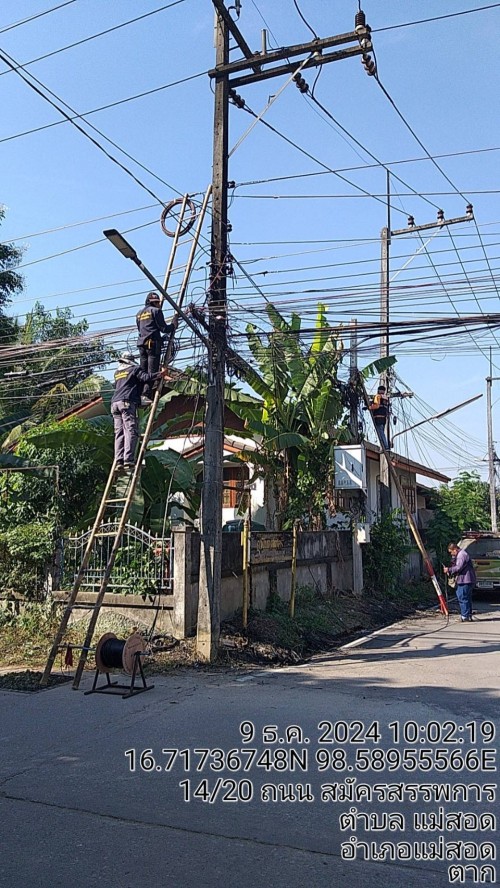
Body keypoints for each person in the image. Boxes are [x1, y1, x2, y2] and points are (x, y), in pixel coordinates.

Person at [111, 352, 168, 471]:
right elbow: (146, 377)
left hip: (114, 404)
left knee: (119, 433)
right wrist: (160, 374)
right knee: (130, 431)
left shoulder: (117, 373)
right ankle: (128, 460)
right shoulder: (134, 369)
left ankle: (119, 460)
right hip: (126, 402)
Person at [136, 292, 178, 404]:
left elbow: (142, 330)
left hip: (141, 344)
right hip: (152, 345)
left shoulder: (139, 314)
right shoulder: (156, 311)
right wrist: (173, 325)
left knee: (143, 372)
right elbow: (163, 328)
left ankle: (139, 394)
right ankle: (145, 395)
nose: (159, 304)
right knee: (152, 371)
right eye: (157, 302)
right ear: (153, 302)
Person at [443, 542, 476, 622]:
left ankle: (465, 616)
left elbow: (458, 567)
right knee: (466, 598)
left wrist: (449, 569)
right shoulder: (461, 554)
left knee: (462, 597)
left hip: (465, 580)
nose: (451, 554)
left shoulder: (461, 555)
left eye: (451, 552)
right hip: (466, 579)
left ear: (455, 549)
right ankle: (468, 615)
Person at [369, 384, 390, 449]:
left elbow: (377, 406)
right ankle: (385, 446)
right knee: (382, 432)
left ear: (378, 390)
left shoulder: (377, 396)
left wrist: (369, 407)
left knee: (381, 433)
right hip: (384, 418)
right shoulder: (386, 398)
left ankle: (385, 446)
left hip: (378, 417)